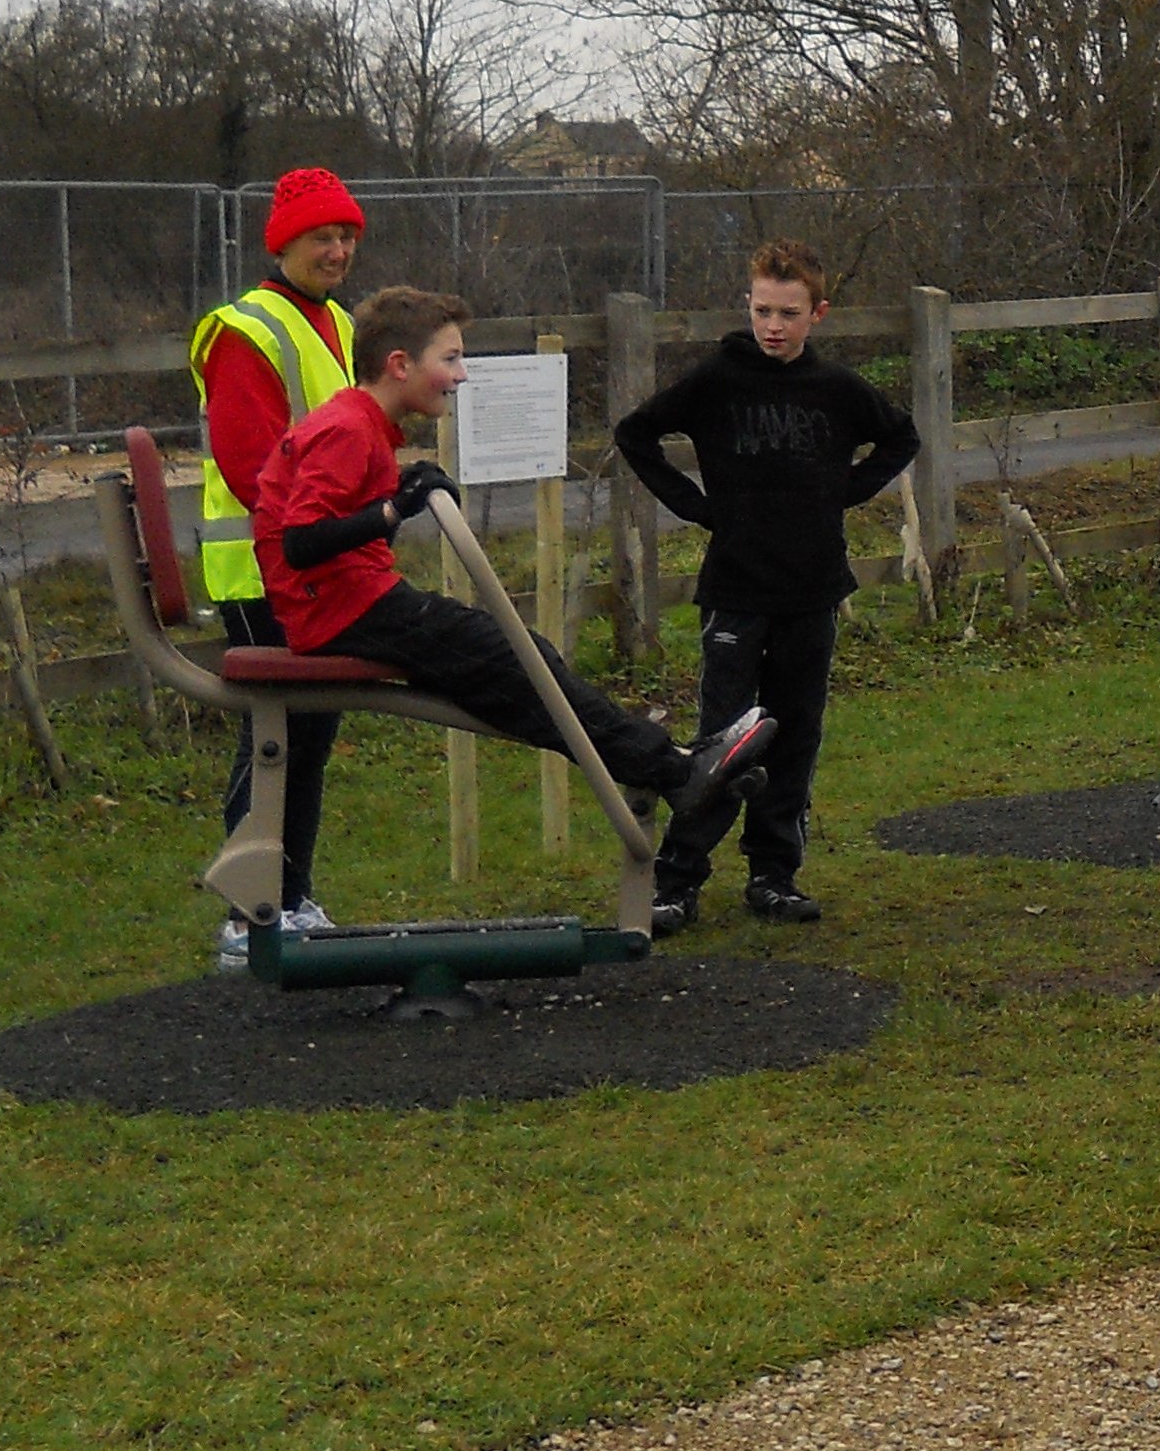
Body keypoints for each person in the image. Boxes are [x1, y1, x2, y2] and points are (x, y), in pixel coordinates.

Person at [254, 286, 777, 827]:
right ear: (399, 365)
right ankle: (676, 771)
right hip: (342, 611)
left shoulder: (361, 424)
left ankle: (675, 767)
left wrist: (393, 498)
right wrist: (392, 510)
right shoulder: (346, 428)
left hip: (352, 600)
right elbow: (302, 542)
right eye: (450, 359)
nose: (461, 376)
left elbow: (339, 529)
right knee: (518, 662)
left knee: (526, 660)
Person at [610, 238, 922, 936]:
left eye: (788, 313)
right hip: (737, 589)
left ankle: (774, 872)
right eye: (761, 311)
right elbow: (637, 434)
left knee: (796, 732)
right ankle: (679, 878)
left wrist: (846, 491)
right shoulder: (717, 379)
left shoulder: (837, 390)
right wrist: (694, 505)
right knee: (724, 738)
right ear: (746, 308)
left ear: (818, 313)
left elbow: (901, 437)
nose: (773, 326)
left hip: (811, 588)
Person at [191, 166, 363, 970]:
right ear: (283, 243)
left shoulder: (336, 323)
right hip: (263, 567)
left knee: (310, 732)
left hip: (312, 558)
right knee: (273, 735)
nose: (336, 250)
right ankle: (245, 911)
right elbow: (249, 452)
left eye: (345, 236)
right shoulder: (246, 329)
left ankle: (289, 896)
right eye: (321, 236)